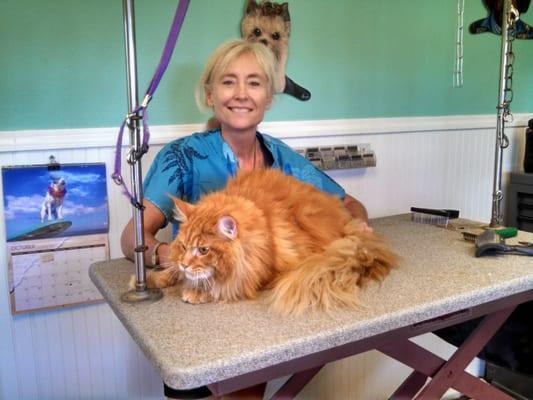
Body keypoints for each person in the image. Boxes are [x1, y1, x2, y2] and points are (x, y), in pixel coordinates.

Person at [120, 38, 368, 399]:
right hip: (197, 317)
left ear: (268, 97)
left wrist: (357, 228)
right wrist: (171, 256)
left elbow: (349, 204)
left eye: (254, 82)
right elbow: (132, 238)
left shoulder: (282, 158)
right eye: (227, 81)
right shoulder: (182, 156)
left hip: (260, 314)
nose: (240, 93)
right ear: (210, 95)